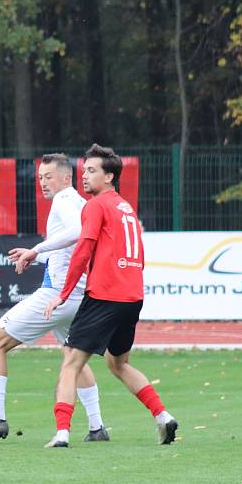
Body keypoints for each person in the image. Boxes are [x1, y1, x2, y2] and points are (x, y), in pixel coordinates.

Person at [43, 144, 178, 447]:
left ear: (110, 176)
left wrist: (63, 294)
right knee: (118, 364)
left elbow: (82, 250)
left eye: (91, 171)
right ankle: (163, 416)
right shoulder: (126, 208)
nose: (85, 176)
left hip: (105, 295)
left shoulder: (96, 205)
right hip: (132, 297)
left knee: (71, 362)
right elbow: (139, 256)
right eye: (84, 170)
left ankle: (62, 432)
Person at [0, 153, 109, 445]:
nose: (43, 183)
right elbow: (73, 243)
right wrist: (38, 253)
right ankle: (97, 427)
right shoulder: (79, 202)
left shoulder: (64, 201)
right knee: (73, 358)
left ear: (66, 178)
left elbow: (78, 232)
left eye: (48, 177)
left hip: (57, 295)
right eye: (40, 177)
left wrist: (36, 249)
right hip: (78, 297)